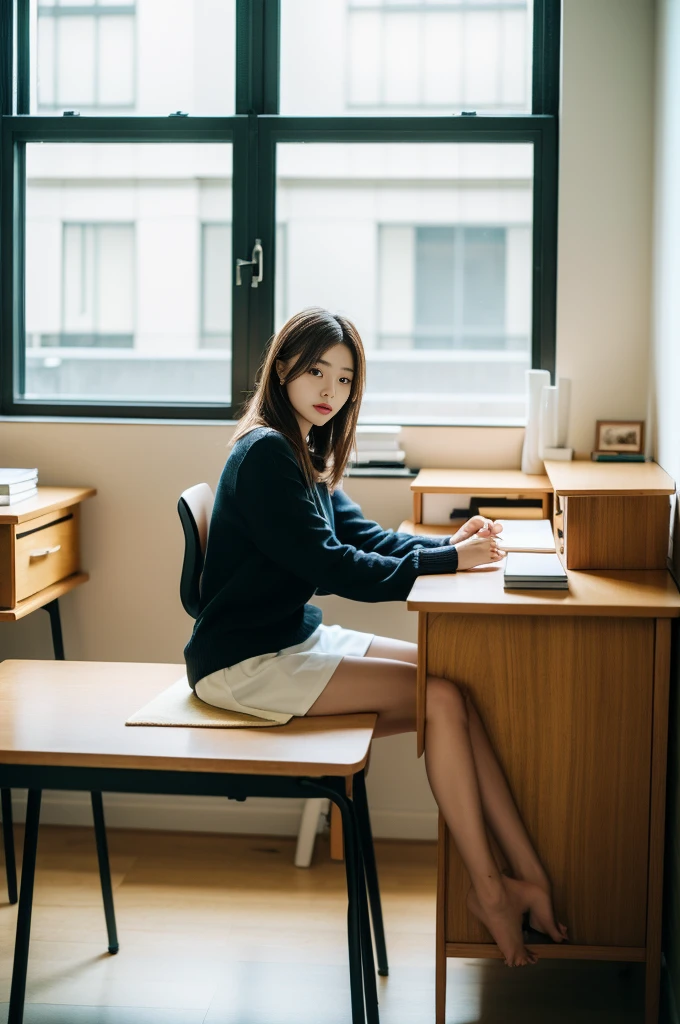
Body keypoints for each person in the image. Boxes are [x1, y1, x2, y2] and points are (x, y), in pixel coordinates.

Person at [184, 307, 568, 968]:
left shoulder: (299, 445)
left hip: (290, 640)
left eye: (344, 377)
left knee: (455, 683)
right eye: (315, 371)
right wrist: (450, 564)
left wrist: (447, 546)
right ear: (282, 369)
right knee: (441, 699)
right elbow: (334, 568)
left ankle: (525, 874)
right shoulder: (268, 454)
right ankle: (490, 892)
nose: (330, 389)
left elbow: (363, 538)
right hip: (246, 663)